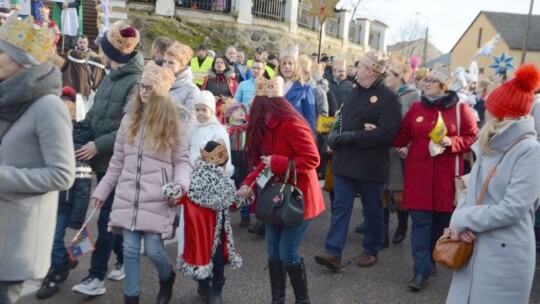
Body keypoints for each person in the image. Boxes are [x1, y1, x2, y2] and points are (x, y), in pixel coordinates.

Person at [91, 61, 190, 304]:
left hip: (158, 196)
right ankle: (131, 298)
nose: (143, 91)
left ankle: (167, 277)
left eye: (149, 87)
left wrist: (180, 185)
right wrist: (102, 190)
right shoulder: (129, 119)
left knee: (155, 250)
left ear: (160, 90)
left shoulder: (173, 122)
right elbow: (117, 161)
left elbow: (182, 161)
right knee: (131, 250)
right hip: (127, 195)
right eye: (141, 86)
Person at [446, 64, 540, 304]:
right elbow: (471, 190)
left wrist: (464, 219)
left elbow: (514, 208)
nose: (485, 111)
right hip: (474, 246)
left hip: (505, 258)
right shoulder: (490, 144)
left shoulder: (530, 150)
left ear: (502, 114)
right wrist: (459, 219)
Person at [0, 14, 75, 304]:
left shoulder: (48, 106)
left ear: (23, 61)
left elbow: (61, 174)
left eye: (2, 50)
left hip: (15, 237)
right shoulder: (7, 97)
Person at [72, 21, 144, 297]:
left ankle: (96, 277)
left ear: (115, 54)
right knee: (110, 218)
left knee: (105, 220)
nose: (99, 54)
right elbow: (95, 112)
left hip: (118, 161)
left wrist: (97, 145)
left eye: (103, 51)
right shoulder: (111, 75)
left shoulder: (136, 82)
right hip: (101, 158)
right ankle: (124, 256)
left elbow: (132, 127)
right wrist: (79, 130)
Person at [239, 76, 325, 304]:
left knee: (287, 253)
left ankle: (302, 300)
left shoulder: (292, 125)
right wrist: (248, 183)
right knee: (273, 253)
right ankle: (278, 300)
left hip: (299, 199)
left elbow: (313, 159)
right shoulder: (268, 126)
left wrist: (277, 162)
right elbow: (263, 163)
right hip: (277, 198)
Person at [392, 64, 477, 291]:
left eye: (431, 80)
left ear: (443, 85)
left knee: (440, 225)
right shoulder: (417, 108)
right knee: (420, 224)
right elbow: (401, 135)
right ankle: (420, 270)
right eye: (425, 80)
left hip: (446, 179)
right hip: (418, 177)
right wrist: (393, 138)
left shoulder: (461, 110)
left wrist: (453, 142)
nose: (425, 83)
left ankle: (430, 260)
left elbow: (472, 137)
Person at [314, 52, 401, 270]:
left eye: (360, 66)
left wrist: (354, 137)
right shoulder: (355, 91)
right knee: (341, 208)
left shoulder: (389, 98)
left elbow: (387, 134)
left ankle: (371, 249)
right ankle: (333, 252)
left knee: (372, 210)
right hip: (346, 161)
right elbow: (342, 119)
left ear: (370, 71)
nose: (356, 69)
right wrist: (333, 135)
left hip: (370, 165)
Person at [36, 86, 94, 299]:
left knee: (55, 236)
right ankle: (63, 262)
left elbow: (83, 181)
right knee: (47, 237)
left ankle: (55, 271)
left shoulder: (79, 141)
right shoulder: (46, 134)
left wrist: (78, 214)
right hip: (46, 197)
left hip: (65, 201)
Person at [179, 139, 251, 304]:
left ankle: (215, 290)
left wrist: (244, 195)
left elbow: (233, 201)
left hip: (215, 233)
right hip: (204, 232)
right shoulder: (196, 180)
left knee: (210, 261)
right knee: (208, 261)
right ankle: (206, 288)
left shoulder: (224, 181)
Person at [381, 54, 420, 246]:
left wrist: (408, 146)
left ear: (398, 76)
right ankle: (383, 233)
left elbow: (416, 126)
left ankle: (403, 225)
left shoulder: (413, 95)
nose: (384, 77)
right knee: (381, 193)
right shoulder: (381, 93)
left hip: (399, 152)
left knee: (398, 196)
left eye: (388, 74)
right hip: (381, 149)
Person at [278, 45, 316, 131]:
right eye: (284, 63)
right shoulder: (273, 88)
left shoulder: (306, 89)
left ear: (296, 66)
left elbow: (310, 120)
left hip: (296, 135)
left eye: (290, 63)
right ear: (280, 67)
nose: (287, 66)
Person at [224, 102, 250, 227]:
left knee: (244, 188)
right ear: (230, 114)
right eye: (237, 110)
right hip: (231, 160)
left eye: (243, 111)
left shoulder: (248, 127)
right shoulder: (226, 128)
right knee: (229, 187)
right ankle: (225, 215)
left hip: (245, 160)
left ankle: (245, 216)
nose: (241, 112)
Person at [163, 41, 199, 117]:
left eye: (171, 63)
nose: (166, 66)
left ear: (182, 65)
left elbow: (189, 121)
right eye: (164, 61)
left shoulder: (192, 91)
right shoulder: (158, 84)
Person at [201, 56, 237, 123]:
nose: (219, 64)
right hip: (211, 109)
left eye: (221, 63)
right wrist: (212, 99)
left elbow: (236, 97)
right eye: (217, 63)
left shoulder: (231, 80)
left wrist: (227, 99)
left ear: (225, 65)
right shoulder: (208, 80)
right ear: (213, 65)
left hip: (227, 109)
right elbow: (203, 95)